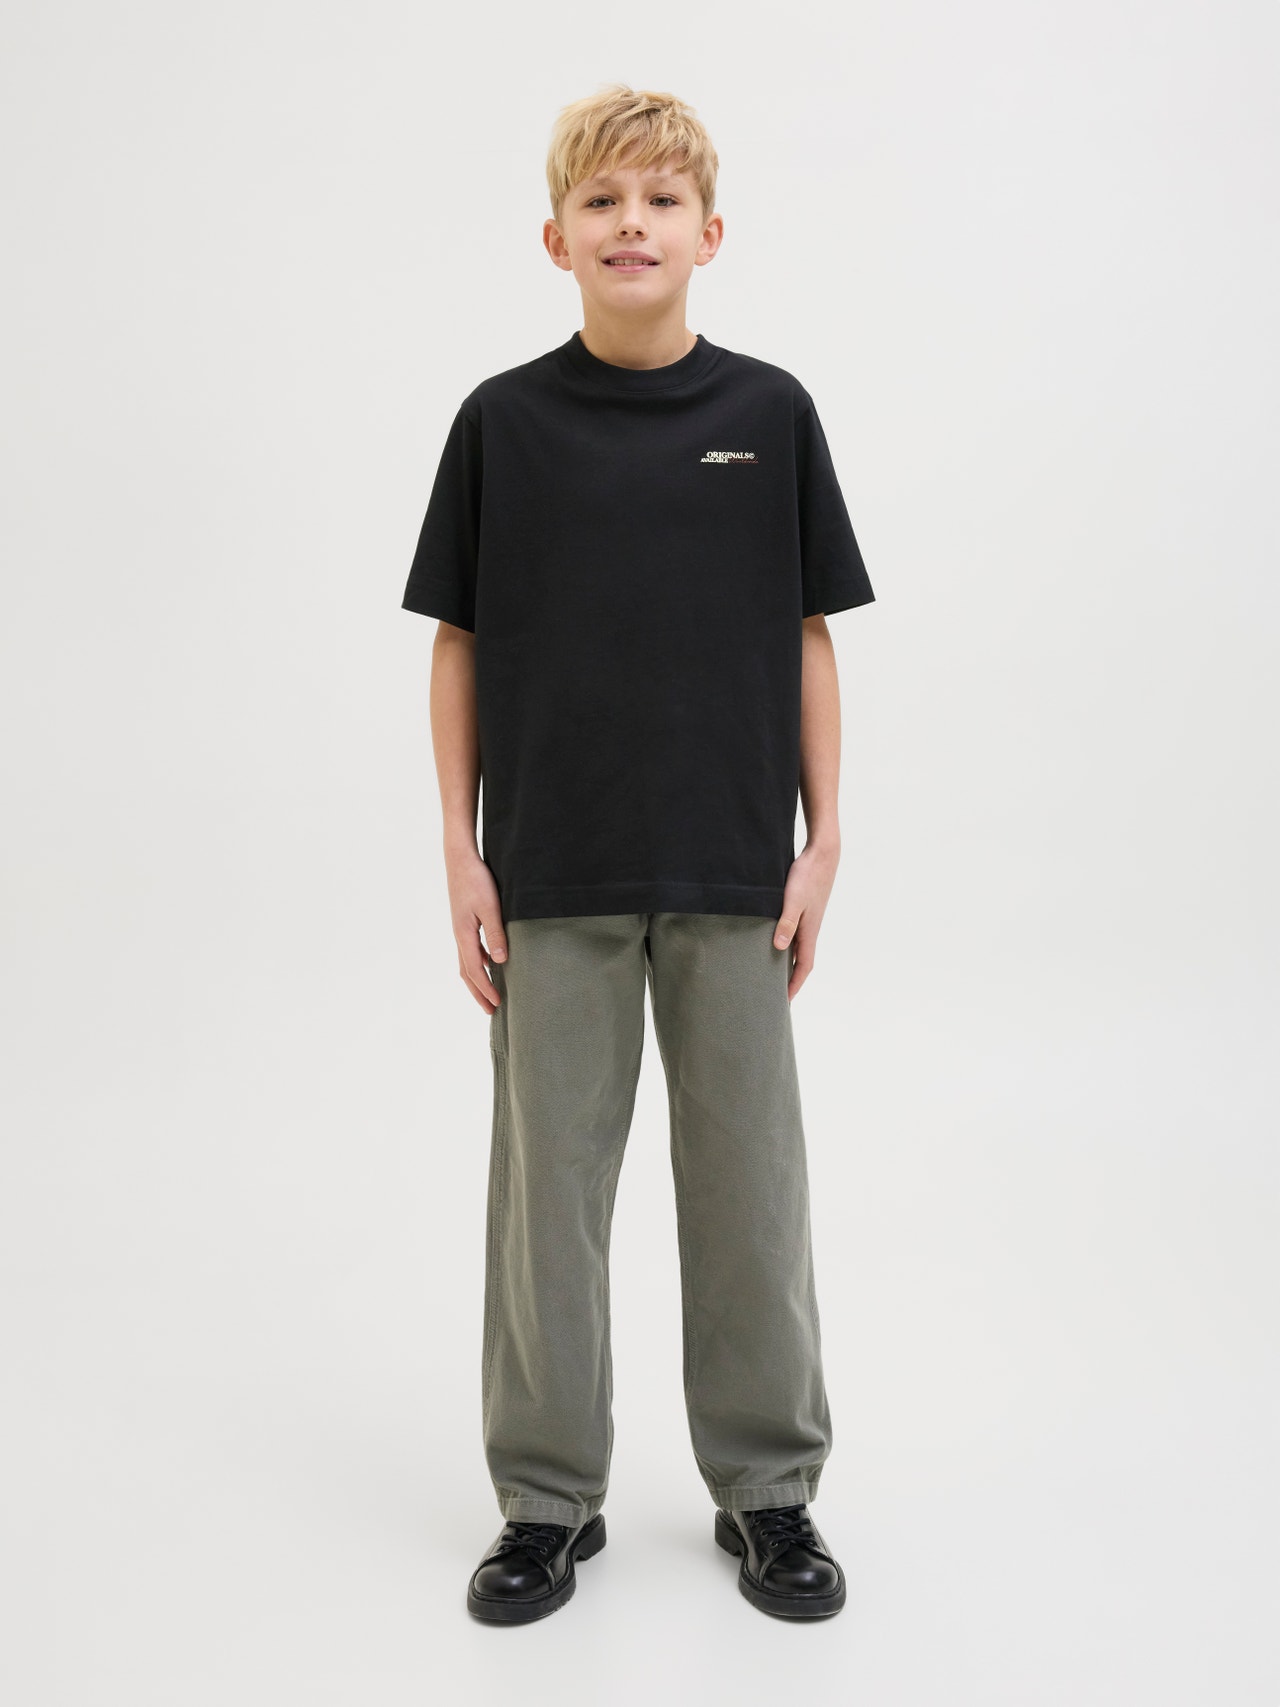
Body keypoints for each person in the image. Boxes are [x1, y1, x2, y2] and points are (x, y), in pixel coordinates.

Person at [400, 83, 875, 1623]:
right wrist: (463, 853)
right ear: (556, 238)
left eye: (661, 200)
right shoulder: (503, 424)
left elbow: (807, 635)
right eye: (602, 201)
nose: (631, 224)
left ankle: (770, 1491)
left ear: (709, 233)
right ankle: (547, 1504)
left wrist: (823, 840)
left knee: (750, 1191)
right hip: (554, 870)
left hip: (735, 868)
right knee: (547, 1199)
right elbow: (459, 643)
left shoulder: (771, 416)